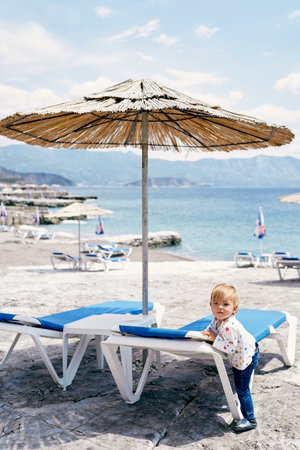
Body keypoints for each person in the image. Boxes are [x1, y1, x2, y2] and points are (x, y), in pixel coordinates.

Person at [201, 283, 259, 433]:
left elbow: (230, 348)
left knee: (242, 389)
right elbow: (211, 328)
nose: (220, 307)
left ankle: (251, 420)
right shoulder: (217, 319)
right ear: (211, 305)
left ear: (234, 309)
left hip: (246, 358)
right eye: (216, 303)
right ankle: (248, 417)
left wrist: (214, 338)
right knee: (240, 386)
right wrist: (207, 333)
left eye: (225, 304)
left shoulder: (230, 326)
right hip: (242, 354)